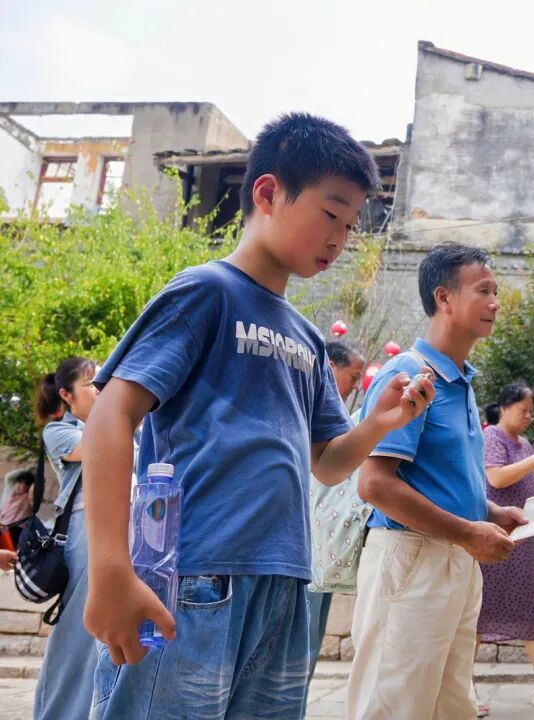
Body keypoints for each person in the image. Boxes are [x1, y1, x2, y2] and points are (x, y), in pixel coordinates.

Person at [80, 113, 435, 720]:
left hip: (287, 584)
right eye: (330, 214)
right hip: (195, 576)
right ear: (268, 193)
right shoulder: (205, 292)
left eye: (351, 225)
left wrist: (378, 424)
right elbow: (111, 416)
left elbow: (326, 463)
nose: (340, 238)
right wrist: (110, 567)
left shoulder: (305, 337)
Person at [348, 243, 528, 720]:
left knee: (452, 706)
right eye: (484, 290)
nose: (495, 302)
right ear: (444, 299)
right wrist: (468, 531)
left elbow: (439, 478)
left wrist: (489, 513)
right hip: (411, 558)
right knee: (393, 706)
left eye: (496, 291)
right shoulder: (409, 375)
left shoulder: (461, 381)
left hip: (457, 561)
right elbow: (375, 485)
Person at [474, 384, 534, 716]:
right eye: (523, 410)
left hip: (522, 536)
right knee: (479, 610)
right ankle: (462, 683)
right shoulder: (492, 437)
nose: (529, 417)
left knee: (529, 608)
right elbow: (497, 479)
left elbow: (533, 489)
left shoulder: (526, 444)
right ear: (504, 408)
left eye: (532, 411)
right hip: (492, 534)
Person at [32, 356, 100, 720]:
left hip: (123, 530)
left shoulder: (128, 429)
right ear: (66, 395)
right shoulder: (59, 431)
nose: (102, 390)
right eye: (92, 384)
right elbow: (96, 448)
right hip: (84, 531)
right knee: (77, 629)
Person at [305, 340, 366, 684]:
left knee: (312, 639)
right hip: (306, 544)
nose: (355, 385)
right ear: (329, 367)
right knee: (301, 641)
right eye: (352, 376)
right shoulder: (307, 411)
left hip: (326, 547)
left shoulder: (340, 417)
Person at [0, 473, 33, 546]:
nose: (18, 485)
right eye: (18, 482)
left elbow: (35, 489)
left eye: (22, 483)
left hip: (15, 531)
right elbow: (9, 477)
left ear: (28, 486)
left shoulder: (28, 498)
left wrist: (27, 471)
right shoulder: (10, 497)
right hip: (4, 529)